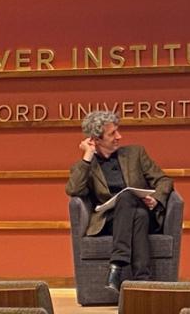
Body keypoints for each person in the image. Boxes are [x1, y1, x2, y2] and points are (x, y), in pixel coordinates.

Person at [65, 110, 173, 293]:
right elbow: (73, 190)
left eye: (118, 131)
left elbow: (164, 180)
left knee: (130, 200)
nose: (119, 136)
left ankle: (117, 264)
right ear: (96, 139)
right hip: (111, 221)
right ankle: (143, 283)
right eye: (112, 133)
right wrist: (88, 155)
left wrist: (156, 199)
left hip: (145, 211)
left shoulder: (135, 153)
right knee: (136, 214)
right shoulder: (86, 165)